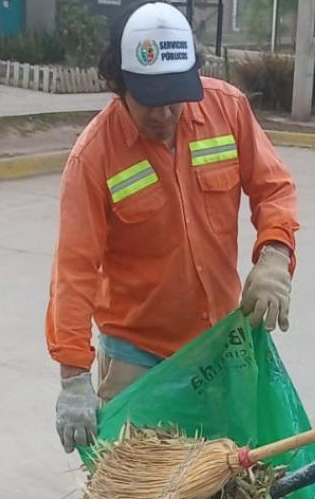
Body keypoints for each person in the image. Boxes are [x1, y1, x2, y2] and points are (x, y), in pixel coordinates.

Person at [46, 1, 299, 454]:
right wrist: (73, 377)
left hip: (221, 348)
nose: (163, 114)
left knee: (226, 475)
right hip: (139, 362)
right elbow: (74, 272)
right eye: (148, 100)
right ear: (119, 83)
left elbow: (273, 188)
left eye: (174, 97)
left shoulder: (228, 110)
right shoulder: (94, 158)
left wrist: (275, 255)